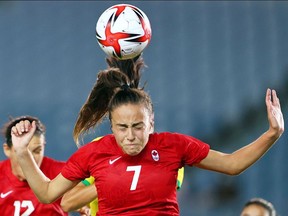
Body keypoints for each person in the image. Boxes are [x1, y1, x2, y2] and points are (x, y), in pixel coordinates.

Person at [10, 56, 284, 215]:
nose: (130, 136)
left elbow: (233, 164)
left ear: (151, 122)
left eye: (138, 126)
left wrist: (273, 133)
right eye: (122, 128)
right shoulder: (95, 152)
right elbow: (48, 195)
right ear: (112, 124)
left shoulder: (173, 146)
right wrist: (23, 153)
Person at [0, 115, 68, 215]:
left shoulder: (63, 174)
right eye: (21, 151)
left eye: (36, 151)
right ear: (7, 149)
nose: (29, 159)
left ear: (43, 147)